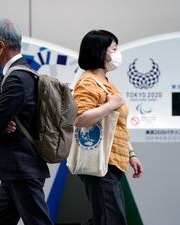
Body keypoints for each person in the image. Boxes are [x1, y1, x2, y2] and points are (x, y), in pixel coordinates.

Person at [0, 18, 53, 225]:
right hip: (16, 168)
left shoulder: (15, 79)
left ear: (0, 45)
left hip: (22, 167)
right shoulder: (28, 73)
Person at [73, 30, 143, 225]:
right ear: (101, 52)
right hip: (101, 163)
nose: (117, 52)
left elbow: (116, 125)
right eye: (114, 48)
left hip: (112, 161)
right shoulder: (88, 82)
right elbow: (79, 118)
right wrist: (110, 105)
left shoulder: (106, 83)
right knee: (111, 219)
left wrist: (131, 154)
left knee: (106, 217)